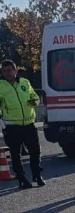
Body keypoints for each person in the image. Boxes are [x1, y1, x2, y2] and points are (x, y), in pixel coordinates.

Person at [0, 59, 45, 189]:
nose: (7, 73)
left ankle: (37, 175)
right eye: (4, 71)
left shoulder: (25, 83)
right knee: (15, 154)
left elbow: (35, 96)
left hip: (29, 123)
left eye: (9, 70)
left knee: (35, 151)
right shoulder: (1, 86)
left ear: (15, 70)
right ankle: (22, 178)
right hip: (12, 124)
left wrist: (34, 101)